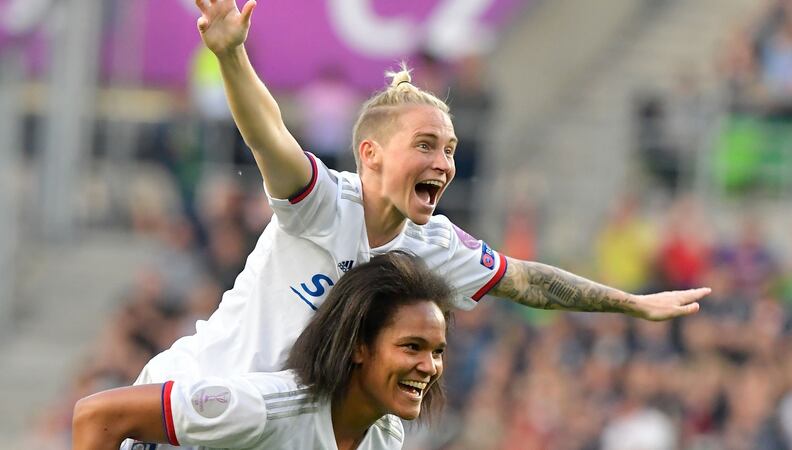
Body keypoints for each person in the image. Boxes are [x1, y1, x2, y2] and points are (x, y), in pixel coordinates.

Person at [124, 0, 711, 447]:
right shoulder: (324, 203)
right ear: (371, 155)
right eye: (426, 144)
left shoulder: (435, 243)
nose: (444, 163)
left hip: (280, 432)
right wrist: (230, 54)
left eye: (451, 149)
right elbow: (268, 134)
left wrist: (631, 304)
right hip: (190, 409)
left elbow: (525, 281)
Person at [74, 252, 451, 450]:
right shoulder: (266, 409)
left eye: (437, 352)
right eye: (411, 347)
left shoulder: (385, 435)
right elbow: (98, 415)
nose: (429, 366)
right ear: (358, 347)